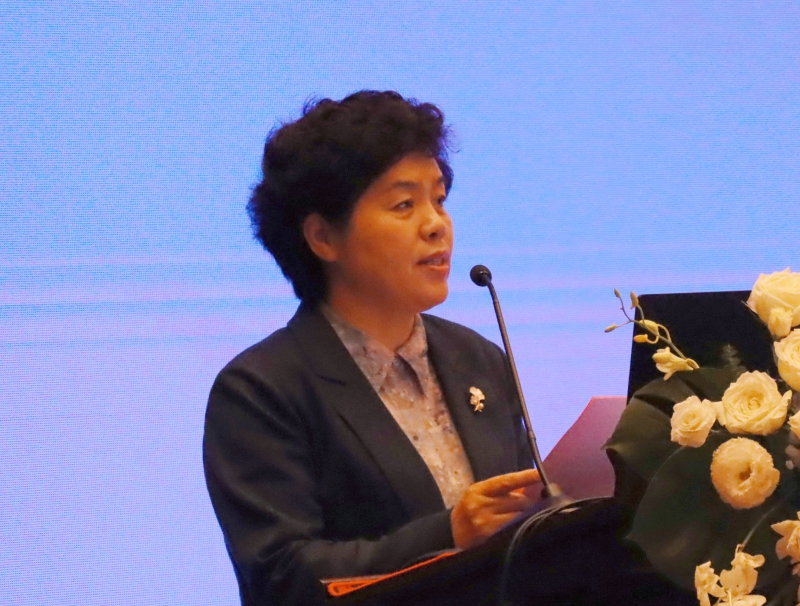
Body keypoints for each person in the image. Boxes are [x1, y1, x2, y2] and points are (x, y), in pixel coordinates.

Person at [202, 91, 542, 606]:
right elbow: (282, 575)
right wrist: (448, 533)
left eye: (439, 199)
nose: (436, 224)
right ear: (323, 237)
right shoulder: (261, 390)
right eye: (404, 204)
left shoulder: (476, 358)